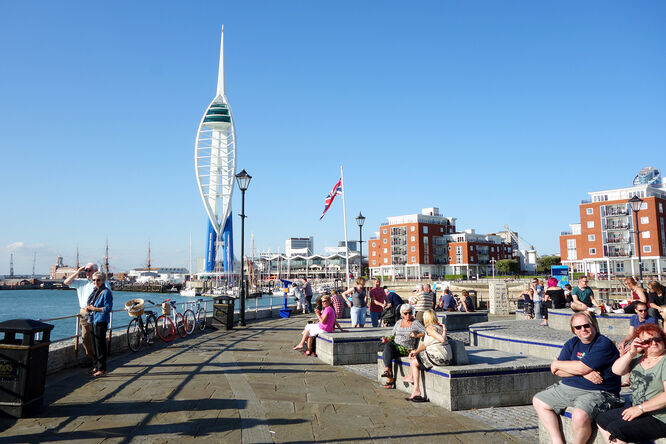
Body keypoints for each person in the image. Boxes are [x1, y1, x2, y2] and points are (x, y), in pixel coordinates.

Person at [532, 311, 621, 444]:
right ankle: (557, 441)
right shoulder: (572, 343)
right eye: (578, 327)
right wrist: (584, 372)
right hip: (568, 388)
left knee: (579, 415)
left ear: (594, 325)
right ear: (573, 330)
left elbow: (573, 367)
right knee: (539, 401)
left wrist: (558, 363)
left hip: (598, 391)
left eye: (586, 325)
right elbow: (558, 372)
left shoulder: (603, 344)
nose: (583, 330)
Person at [596, 323, 666, 443]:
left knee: (617, 430)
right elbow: (617, 370)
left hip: (660, 416)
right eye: (648, 341)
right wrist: (631, 353)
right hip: (640, 410)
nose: (654, 343)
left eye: (657, 339)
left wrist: (640, 408)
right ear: (641, 344)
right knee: (602, 418)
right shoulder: (638, 358)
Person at [404, 310, 451, 402]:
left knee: (413, 362)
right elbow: (426, 344)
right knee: (415, 357)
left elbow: (442, 340)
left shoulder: (430, 328)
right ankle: (413, 382)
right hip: (447, 358)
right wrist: (416, 351)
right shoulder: (438, 326)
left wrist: (445, 330)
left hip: (438, 357)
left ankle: (416, 389)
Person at [379, 304, 425, 389]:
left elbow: (426, 332)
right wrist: (387, 339)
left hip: (406, 348)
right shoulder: (398, 322)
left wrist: (416, 335)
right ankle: (388, 371)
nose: (408, 315)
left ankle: (389, 378)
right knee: (387, 346)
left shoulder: (416, 323)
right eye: (405, 313)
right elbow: (393, 335)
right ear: (402, 314)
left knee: (388, 349)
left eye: (410, 313)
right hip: (395, 346)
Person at [63, 263, 100, 367]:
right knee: (85, 337)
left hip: (96, 312)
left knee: (97, 336)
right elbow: (66, 282)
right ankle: (91, 358)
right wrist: (78, 272)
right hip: (84, 311)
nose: (87, 272)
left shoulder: (100, 282)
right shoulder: (81, 283)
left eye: (89, 270)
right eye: (86, 270)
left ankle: (98, 360)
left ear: (95, 271)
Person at [86, 271, 113, 377]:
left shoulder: (106, 292)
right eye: (94, 280)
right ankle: (96, 366)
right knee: (94, 344)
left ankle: (102, 368)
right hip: (92, 319)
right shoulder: (95, 291)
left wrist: (95, 308)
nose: (95, 282)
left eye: (98, 280)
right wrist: (89, 308)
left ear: (103, 281)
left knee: (100, 345)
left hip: (100, 320)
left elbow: (108, 308)